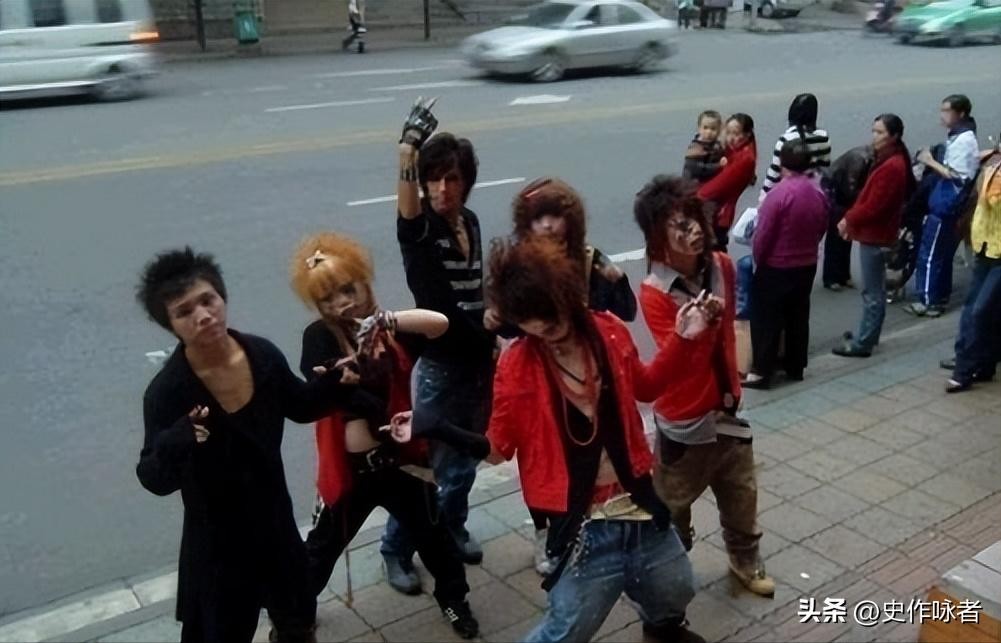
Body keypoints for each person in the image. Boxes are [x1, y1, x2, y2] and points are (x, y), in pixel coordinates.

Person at [135, 248, 364, 643]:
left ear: (222, 297)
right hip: (217, 543)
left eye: (208, 300)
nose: (203, 315)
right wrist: (177, 440)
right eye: (185, 311)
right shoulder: (168, 392)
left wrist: (335, 385)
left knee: (297, 621)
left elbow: (300, 405)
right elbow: (153, 478)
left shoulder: (261, 355)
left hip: (275, 523)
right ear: (170, 324)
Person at [484, 236, 705, 643]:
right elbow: (498, 449)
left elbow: (646, 386)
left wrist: (682, 339)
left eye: (551, 313)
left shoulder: (609, 331)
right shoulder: (517, 366)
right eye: (533, 321)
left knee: (677, 587)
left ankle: (662, 627)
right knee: (567, 629)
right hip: (583, 524)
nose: (547, 327)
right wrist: (437, 430)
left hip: (637, 500)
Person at [288, 233, 483, 638]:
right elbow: (321, 384)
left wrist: (388, 320)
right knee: (320, 550)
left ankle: (454, 600)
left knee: (436, 539)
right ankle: (294, 618)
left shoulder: (392, 330)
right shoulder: (320, 336)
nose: (342, 303)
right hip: (351, 471)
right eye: (328, 299)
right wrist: (343, 384)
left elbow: (440, 324)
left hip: (401, 464)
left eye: (348, 289)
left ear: (364, 282)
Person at [633, 175, 775, 598]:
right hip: (684, 420)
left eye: (694, 219)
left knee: (741, 495)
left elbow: (730, 334)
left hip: (728, 409)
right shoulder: (654, 292)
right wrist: (695, 330)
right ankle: (672, 566)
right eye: (679, 226)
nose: (693, 230)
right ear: (658, 238)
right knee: (671, 505)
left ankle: (745, 560)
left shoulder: (723, 266)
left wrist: (736, 378)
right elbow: (680, 364)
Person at [491, 176, 636, 576]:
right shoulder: (519, 269)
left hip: (585, 371)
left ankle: (597, 530)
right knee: (541, 459)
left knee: (588, 456)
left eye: (555, 216)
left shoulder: (590, 260)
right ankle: (547, 532)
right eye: (539, 218)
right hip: (538, 381)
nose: (548, 225)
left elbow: (624, 313)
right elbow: (509, 326)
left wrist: (617, 281)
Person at [381, 98, 496, 594]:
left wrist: (492, 334)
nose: (442, 189)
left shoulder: (470, 221)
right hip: (441, 368)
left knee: (465, 462)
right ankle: (395, 548)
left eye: (452, 178)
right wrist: (408, 149)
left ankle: (453, 527)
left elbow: (477, 289)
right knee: (430, 470)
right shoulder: (422, 230)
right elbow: (407, 217)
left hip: (479, 364)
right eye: (433, 179)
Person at [745, 142, 830, 389]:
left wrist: (759, 260)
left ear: (782, 164)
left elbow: (763, 236)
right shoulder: (818, 193)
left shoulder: (778, 195)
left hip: (777, 265)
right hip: (806, 263)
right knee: (798, 316)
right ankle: (795, 366)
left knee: (767, 319)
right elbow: (822, 226)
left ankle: (762, 371)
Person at [833, 114, 916, 358]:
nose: (874, 137)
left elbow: (874, 205)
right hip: (878, 232)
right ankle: (869, 335)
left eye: (880, 133)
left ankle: (864, 342)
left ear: (894, 136)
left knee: (872, 292)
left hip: (877, 235)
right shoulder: (889, 160)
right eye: (874, 131)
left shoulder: (892, 166)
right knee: (875, 290)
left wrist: (848, 219)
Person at [908, 94, 980, 317]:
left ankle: (928, 300)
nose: (942, 116)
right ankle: (940, 296)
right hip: (948, 204)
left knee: (929, 254)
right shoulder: (962, 136)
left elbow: (957, 176)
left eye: (946, 111)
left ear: (961, 113)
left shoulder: (964, 141)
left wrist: (929, 161)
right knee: (942, 254)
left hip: (945, 205)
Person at [946, 143, 1001, 392]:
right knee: (975, 308)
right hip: (985, 247)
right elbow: (980, 206)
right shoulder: (992, 168)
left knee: (981, 310)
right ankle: (981, 363)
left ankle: (965, 370)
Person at [698, 113, 758, 251]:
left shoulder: (745, 159)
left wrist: (693, 196)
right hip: (717, 210)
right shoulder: (733, 150)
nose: (730, 137)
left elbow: (718, 186)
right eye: (728, 132)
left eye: (736, 133)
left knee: (713, 250)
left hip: (720, 213)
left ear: (747, 134)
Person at [758, 93, 832, 201]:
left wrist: (763, 198)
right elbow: (824, 169)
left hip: (788, 195)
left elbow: (774, 173)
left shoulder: (786, 139)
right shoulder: (823, 137)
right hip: (815, 193)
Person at [822, 144, 874, 290]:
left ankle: (843, 275)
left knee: (847, 236)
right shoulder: (859, 159)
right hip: (836, 191)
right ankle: (831, 277)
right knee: (835, 236)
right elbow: (849, 188)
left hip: (845, 193)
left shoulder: (869, 159)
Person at [683, 110, 726, 186]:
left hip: (709, 181)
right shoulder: (695, 148)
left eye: (713, 129)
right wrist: (718, 166)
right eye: (705, 128)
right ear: (699, 128)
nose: (709, 132)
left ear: (719, 130)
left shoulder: (716, 145)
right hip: (693, 184)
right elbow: (697, 169)